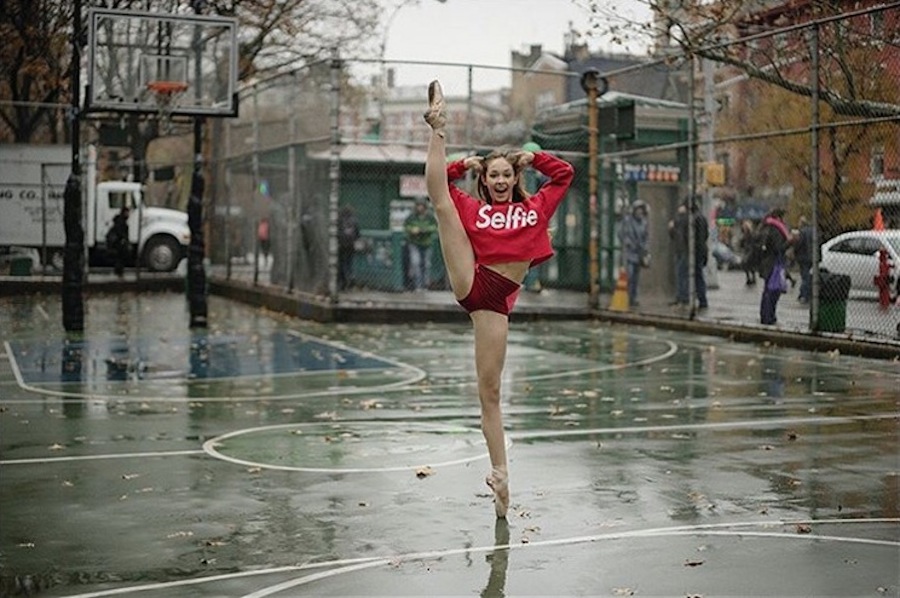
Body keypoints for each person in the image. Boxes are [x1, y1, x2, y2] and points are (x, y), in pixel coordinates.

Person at [423, 80, 574, 518]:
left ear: (515, 178)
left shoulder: (537, 207)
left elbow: (565, 174)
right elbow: (437, 186)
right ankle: (438, 127)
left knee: (489, 393)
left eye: (508, 174)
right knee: (443, 207)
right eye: (494, 175)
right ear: (485, 181)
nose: (502, 180)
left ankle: (502, 478)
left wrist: (534, 157)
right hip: (473, 279)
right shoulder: (475, 207)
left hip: (496, 301)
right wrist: (460, 163)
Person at [668, 199, 709, 310]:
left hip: (686, 252)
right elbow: (705, 236)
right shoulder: (702, 218)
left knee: (683, 274)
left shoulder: (686, 218)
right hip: (699, 252)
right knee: (698, 276)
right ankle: (702, 300)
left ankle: (683, 298)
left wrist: (676, 220)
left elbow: (678, 234)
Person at [757, 207, 792, 325]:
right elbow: (779, 248)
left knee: (768, 290)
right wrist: (790, 242)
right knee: (773, 292)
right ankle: (769, 317)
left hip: (766, 263)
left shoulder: (766, 227)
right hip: (774, 263)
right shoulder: (776, 230)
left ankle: (765, 316)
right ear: (779, 217)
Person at [618, 200, 650, 308]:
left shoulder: (644, 222)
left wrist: (645, 249)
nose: (639, 212)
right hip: (629, 252)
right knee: (630, 275)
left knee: (636, 277)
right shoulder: (627, 221)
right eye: (638, 210)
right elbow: (622, 233)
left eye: (641, 210)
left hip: (639, 253)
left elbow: (646, 237)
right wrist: (628, 242)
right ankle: (626, 296)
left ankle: (633, 298)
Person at [404, 198, 438, 291]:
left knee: (426, 264)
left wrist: (423, 230)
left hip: (426, 243)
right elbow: (406, 227)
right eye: (418, 206)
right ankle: (418, 285)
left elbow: (434, 227)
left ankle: (425, 285)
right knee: (416, 263)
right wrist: (413, 230)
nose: (420, 208)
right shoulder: (411, 216)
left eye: (421, 206)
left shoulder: (430, 216)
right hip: (414, 242)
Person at [337, 206, 360, 291]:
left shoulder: (340, 220)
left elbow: (337, 232)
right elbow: (358, 233)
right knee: (349, 263)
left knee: (342, 263)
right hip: (351, 245)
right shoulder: (354, 221)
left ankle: (343, 281)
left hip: (342, 245)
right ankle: (350, 277)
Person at [794, 216, 813, 304]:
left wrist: (795, 252)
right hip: (812, 257)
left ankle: (804, 294)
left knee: (805, 276)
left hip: (803, 257)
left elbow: (799, 244)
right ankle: (807, 293)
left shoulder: (802, 232)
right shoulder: (813, 231)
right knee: (809, 276)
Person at [107, 205, 130, 277]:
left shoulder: (118, 220)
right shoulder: (121, 221)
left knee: (119, 258)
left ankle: (118, 270)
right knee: (120, 257)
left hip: (118, 242)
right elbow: (120, 232)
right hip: (119, 242)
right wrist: (123, 239)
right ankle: (119, 271)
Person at [738, 219, 758, 286]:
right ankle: (749, 278)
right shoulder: (744, 234)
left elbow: (753, 242)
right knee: (746, 265)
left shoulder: (751, 234)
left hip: (751, 251)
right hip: (746, 250)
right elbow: (742, 243)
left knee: (750, 265)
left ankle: (752, 278)